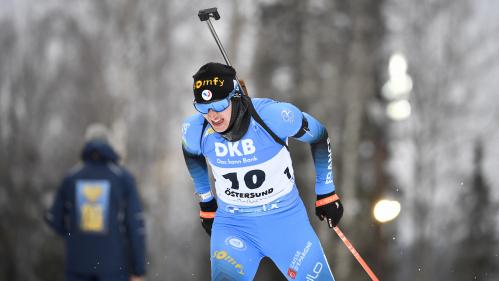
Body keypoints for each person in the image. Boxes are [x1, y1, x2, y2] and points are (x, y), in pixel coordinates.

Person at [182, 62, 344, 281]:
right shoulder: (196, 129)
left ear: (235, 96)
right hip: (234, 226)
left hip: (286, 224)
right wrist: (206, 203)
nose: (213, 115)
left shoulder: (274, 117)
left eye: (219, 105)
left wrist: (326, 192)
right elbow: (192, 154)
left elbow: (318, 135)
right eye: (203, 107)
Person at [45, 123, 146, 281]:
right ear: (108, 145)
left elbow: (53, 219)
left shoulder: (71, 178)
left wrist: (75, 236)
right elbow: (135, 226)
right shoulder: (123, 178)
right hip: (113, 270)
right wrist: (138, 269)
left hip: (76, 268)